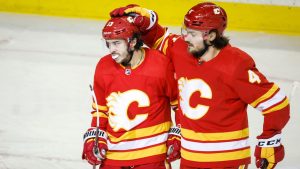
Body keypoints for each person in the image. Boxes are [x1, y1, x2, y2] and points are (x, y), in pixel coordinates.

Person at [110, 2, 290, 169]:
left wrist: (270, 139)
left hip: (227, 161)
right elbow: (158, 39)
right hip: (189, 158)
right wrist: (146, 21)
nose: (185, 37)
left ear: (211, 36)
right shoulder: (181, 49)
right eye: (185, 30)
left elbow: (277, 104)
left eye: (192, 34)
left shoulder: (236, 64)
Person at [81, 15, 180, 169]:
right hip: (113, 156)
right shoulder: (103, 66)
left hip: (152, 157)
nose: (112, 49)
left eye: (117, 43)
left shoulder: (160, 64)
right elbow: (100, 111)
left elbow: (178, 103)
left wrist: (178, 132)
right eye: (108, 43)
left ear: (133, 42)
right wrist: (95, 136)